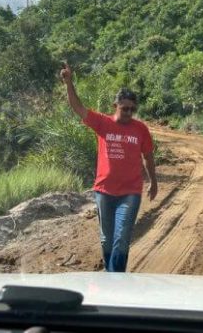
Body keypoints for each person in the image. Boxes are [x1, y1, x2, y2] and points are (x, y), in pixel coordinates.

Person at [60, 62, 157, 272]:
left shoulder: (141, 129)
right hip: (104, 191)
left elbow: (148, 156)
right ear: (115, 106)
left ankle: (115, 280)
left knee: (121, 238)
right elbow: (78, 107)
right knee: (106, 239)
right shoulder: (103, 123)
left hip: (130, 192)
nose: (129, 112)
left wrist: (154, 182)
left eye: (132, 109)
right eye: (125, 108)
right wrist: (69, 82)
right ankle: (110, 272)